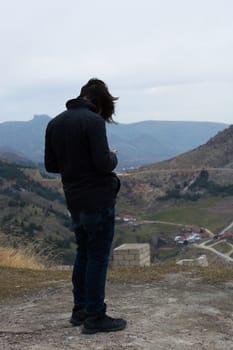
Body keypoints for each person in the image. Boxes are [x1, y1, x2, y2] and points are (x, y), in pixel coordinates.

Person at [44, 78, 126, 334]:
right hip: (98, 200)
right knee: (98, 257)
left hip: (74, 199)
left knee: (83, 253)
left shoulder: (54, 123)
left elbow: (51, 166)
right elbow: (103, 164)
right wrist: (112, 156)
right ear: (99, 102)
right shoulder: (93, 121)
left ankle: (79, 310)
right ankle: (95, 316)